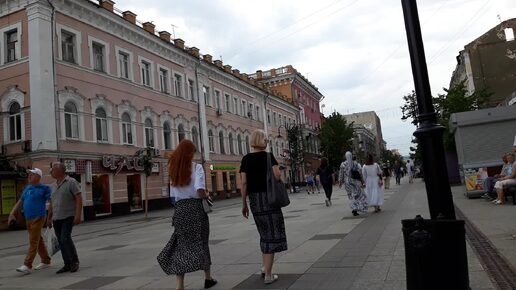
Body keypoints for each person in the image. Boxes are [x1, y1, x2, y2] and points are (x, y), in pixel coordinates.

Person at [157, 139, 216, 290]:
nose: (193, 155)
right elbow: (199, 190)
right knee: (202, 242)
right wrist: (207, 195)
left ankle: (180, 286)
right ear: (189, 153)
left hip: (180, 210)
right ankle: (208, 278)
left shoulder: (173, 168)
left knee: (181, 246)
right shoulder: (197, 168)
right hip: (196, 210)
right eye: (192, 152)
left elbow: (173, 196)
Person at [240, 129, 287, 285]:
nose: (267, 142)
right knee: (272, 235)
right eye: (266, 140)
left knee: (264, 233)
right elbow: (277, 175)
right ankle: (268, 274)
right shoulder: (268, 157)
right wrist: (279, 171)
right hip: (269, 199)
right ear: (260, 141)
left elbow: (244, 183)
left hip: (254, 201)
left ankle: (264, 267)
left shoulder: (245, 159)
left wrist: (243, 204)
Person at [8, 168, 52, 274]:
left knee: (33, 241)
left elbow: (51, 202)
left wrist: (50, 217)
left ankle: (27, 265)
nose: (29, 176)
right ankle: (46, 261)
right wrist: (12, 213)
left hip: (39, 217)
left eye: (32, 174)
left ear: (38, 177)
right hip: (28, 218)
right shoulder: (27, 188)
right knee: (38, 239)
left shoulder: (45, 188)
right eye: (29, 174)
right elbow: (20, 201)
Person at [47, 163, 82, 274]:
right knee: (61, 241)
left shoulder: (71, 182)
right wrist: (49, 218)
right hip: (57, 217)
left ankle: (74, 261)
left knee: (65, 238)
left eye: (52, 170)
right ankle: (67, 264)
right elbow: (51, 203)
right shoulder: (53, 186)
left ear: (59, 171)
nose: (51, 172)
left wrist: (78, 215)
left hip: (68, 216)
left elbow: (79, 198)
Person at [339, 152, 368, 216]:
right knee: (356, 195)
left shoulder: (343, 164)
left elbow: (341, 174)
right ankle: (356, 208)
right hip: (355, 182)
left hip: (347, 182)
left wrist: (340, 182)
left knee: (351, 196)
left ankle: (354, 208)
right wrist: (362, 181)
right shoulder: (355, 163)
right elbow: (360, 173)